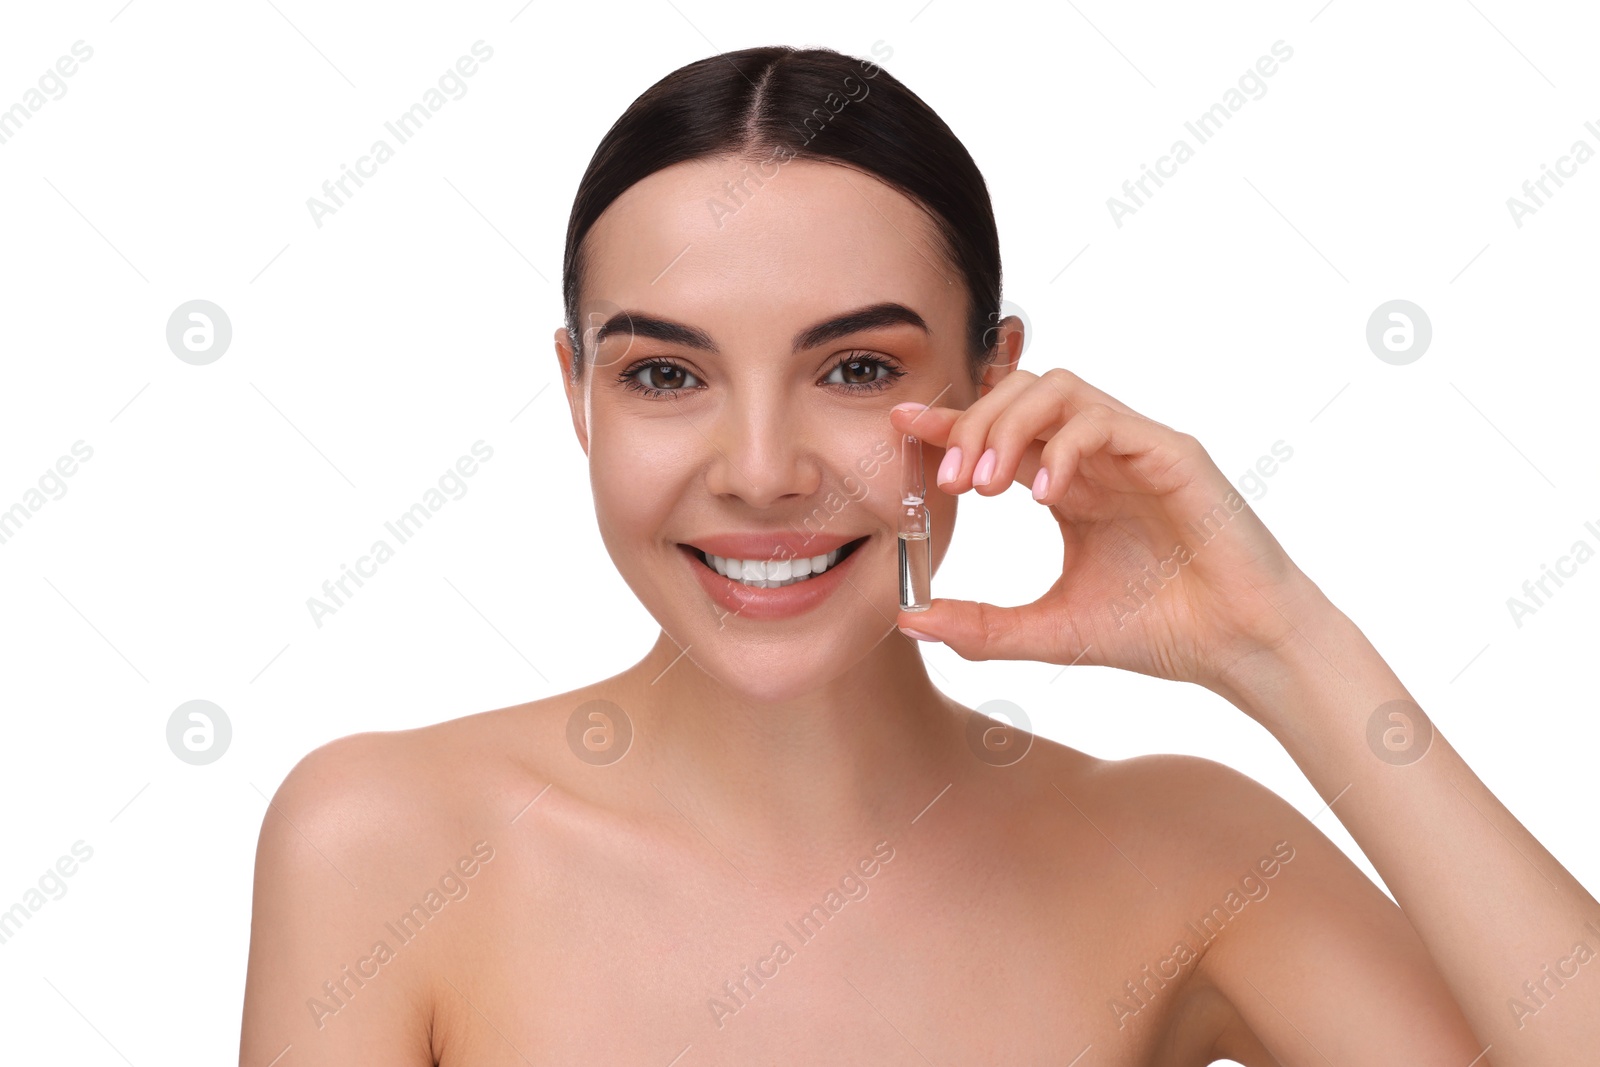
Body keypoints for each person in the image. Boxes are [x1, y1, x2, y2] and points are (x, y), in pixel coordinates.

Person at [238, 45, 1599, 1065]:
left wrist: (1281, 642)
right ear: (577, 394)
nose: (763, 468)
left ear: (992, 380)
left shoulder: (1187, 854)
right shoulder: (383, 844)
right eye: (665, 375)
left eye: (857, 367)